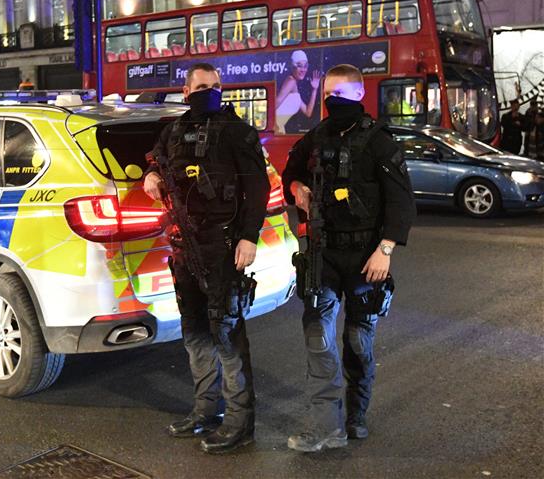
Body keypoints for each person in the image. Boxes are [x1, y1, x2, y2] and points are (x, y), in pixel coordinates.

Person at [281, 64, 415, 452]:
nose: (330, 99)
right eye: (327, 92)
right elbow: (289, 172)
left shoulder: (379, 141)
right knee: (318, 339)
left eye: (339, 92)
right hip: (323, 255)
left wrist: (385, 249)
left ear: (359, 95)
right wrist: (297, 187)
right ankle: (327, 426)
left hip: (365, 258)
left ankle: (355, 416)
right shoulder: (316, 137)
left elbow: (401, 202)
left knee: (358, 341)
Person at [143, 62, 270, 454]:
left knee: (228, 335)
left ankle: (240, 421)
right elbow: (155, 161)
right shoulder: (174, 131)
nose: (209, 91)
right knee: (195, 333)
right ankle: (205, 411)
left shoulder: (237, 132)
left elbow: (258, 187)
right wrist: (149, 176)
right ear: (186, 91)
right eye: (201, 86)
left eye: (215, 86)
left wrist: (249, 238)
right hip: (184, 248)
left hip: (224, 246)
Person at [275, 50, 321, 134]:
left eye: (305, 66)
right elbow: (276, 103)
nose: (303, 70)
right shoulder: (291, 81)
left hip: (280, 129)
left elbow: (308, 112)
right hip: (277, 128)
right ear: (293, 66)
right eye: (299, 66)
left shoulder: (294, 87)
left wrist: (314, 89)